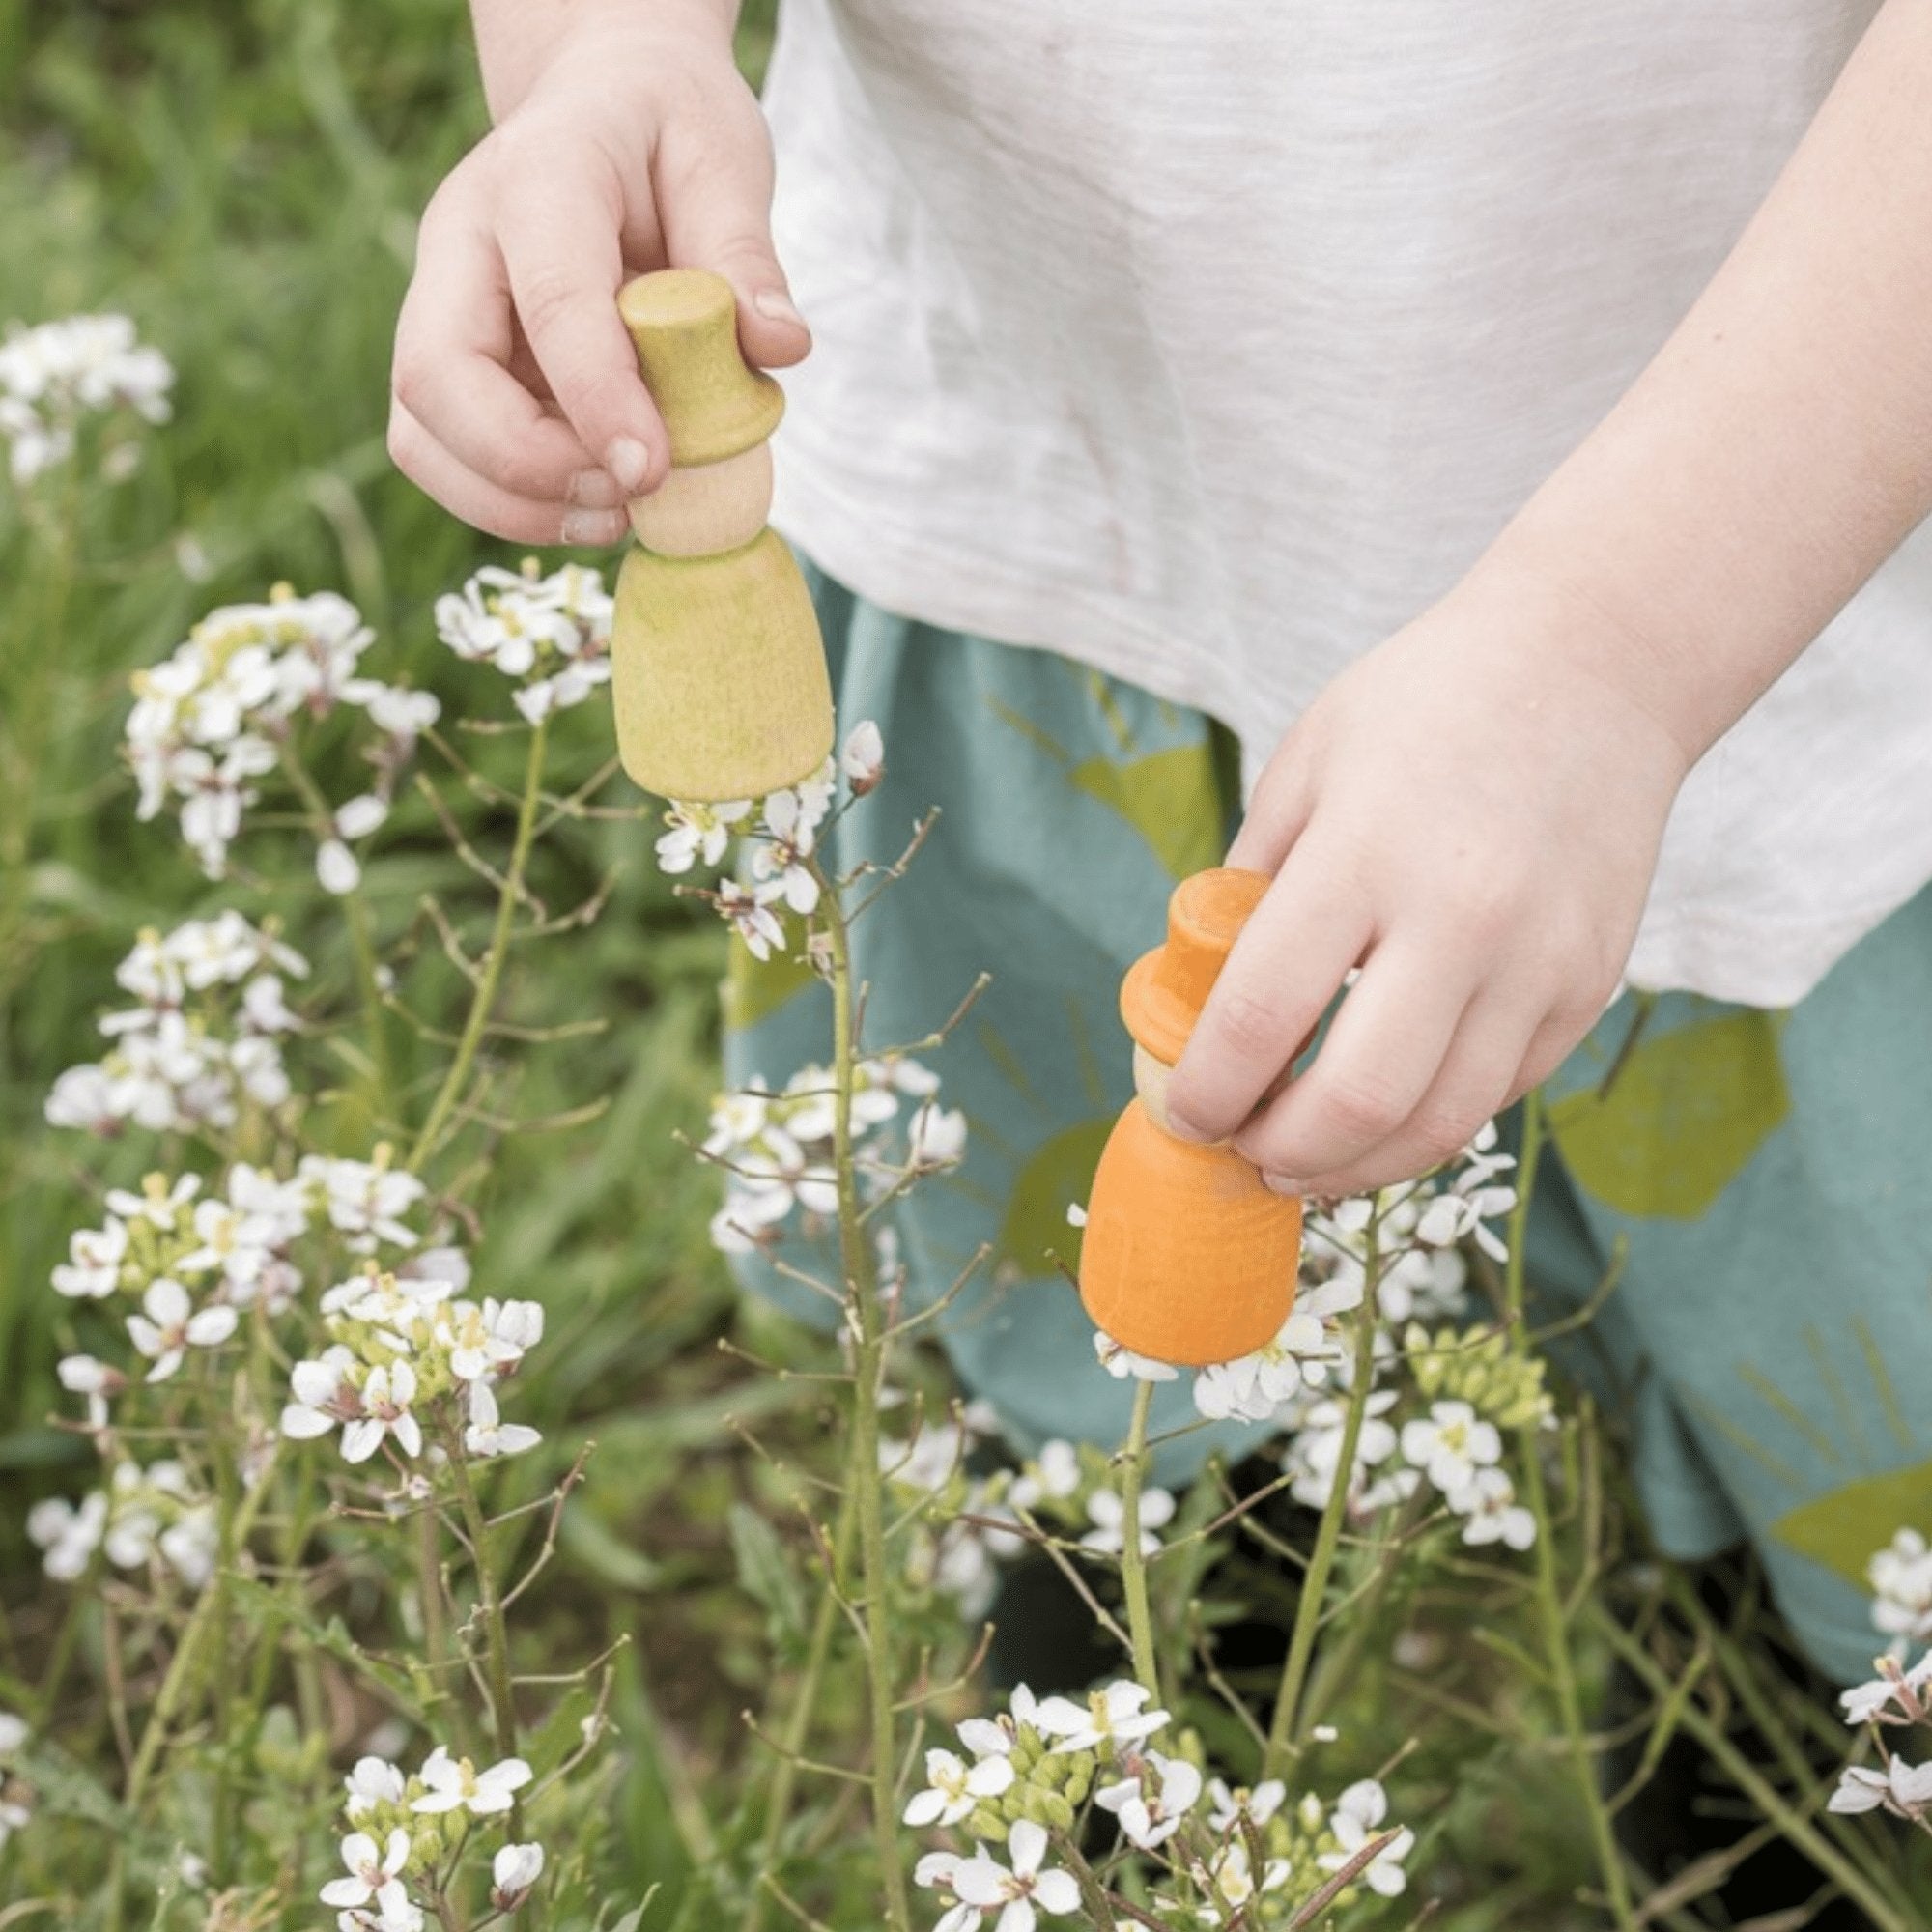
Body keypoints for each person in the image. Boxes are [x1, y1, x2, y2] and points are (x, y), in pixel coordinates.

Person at [390, 0, 1932, 1703]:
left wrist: (1621, 645)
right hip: (1026, 493)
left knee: (1803, 1543)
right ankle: (1120, 1736)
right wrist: (605, 60)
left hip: (1776, 584)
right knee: (1092, 1414)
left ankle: (1760, 1749)